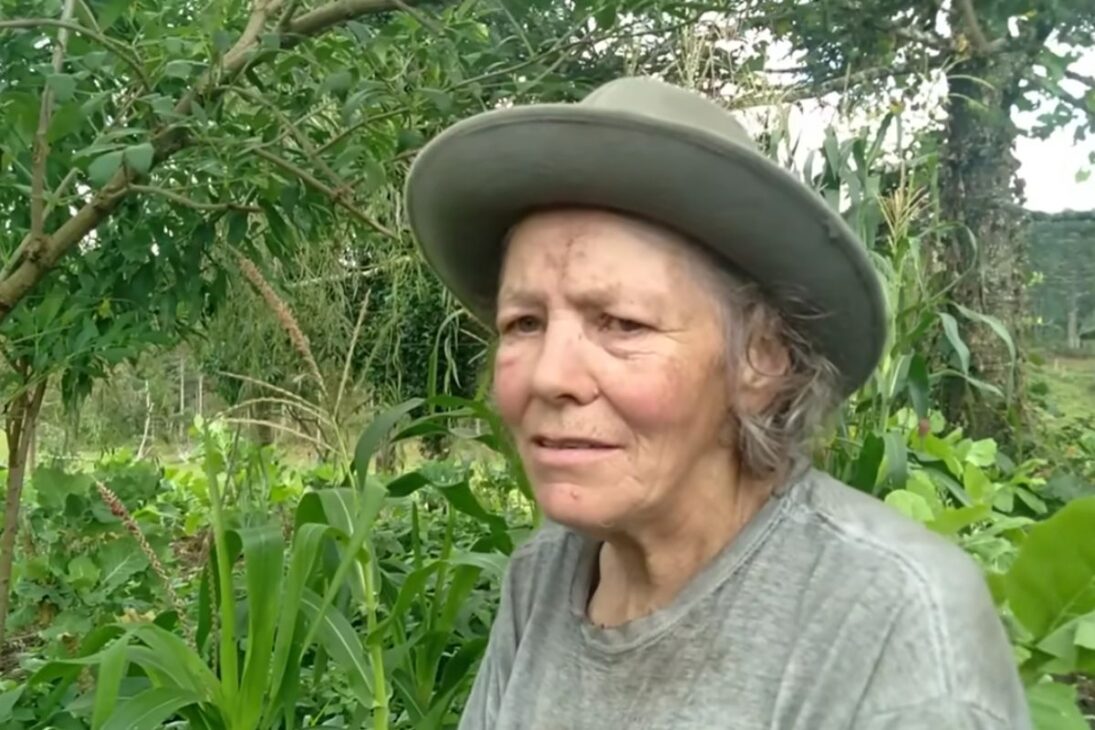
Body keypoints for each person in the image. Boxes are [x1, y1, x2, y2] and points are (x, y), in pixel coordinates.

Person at [403, 76, 1032, 729]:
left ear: (760, 358)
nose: (549, 375)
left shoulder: (889, 619)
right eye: (523, 323)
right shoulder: (545, 573)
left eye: (620, 324)